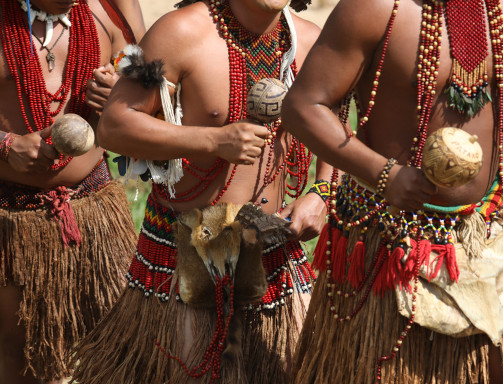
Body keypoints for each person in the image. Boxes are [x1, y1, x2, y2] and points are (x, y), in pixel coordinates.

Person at [282, 0, 503, 382]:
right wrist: (384, 174)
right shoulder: (373, 8)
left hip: (487, 230)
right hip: (387, 241)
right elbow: (304, 105)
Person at [70, 0, 332, 383]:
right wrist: (213, 140)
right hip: (183, 249)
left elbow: (338, 122)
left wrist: (320, 193)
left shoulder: (309, 41)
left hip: (273, 244)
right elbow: (114, 124)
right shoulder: (177, 32)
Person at [0, 0, 145, 383]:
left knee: (120, 343)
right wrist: (4, 144)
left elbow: (155, 102)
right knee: (19, 352)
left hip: (95, 212)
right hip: (11, 222)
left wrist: (120, 99)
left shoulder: (113, 12)